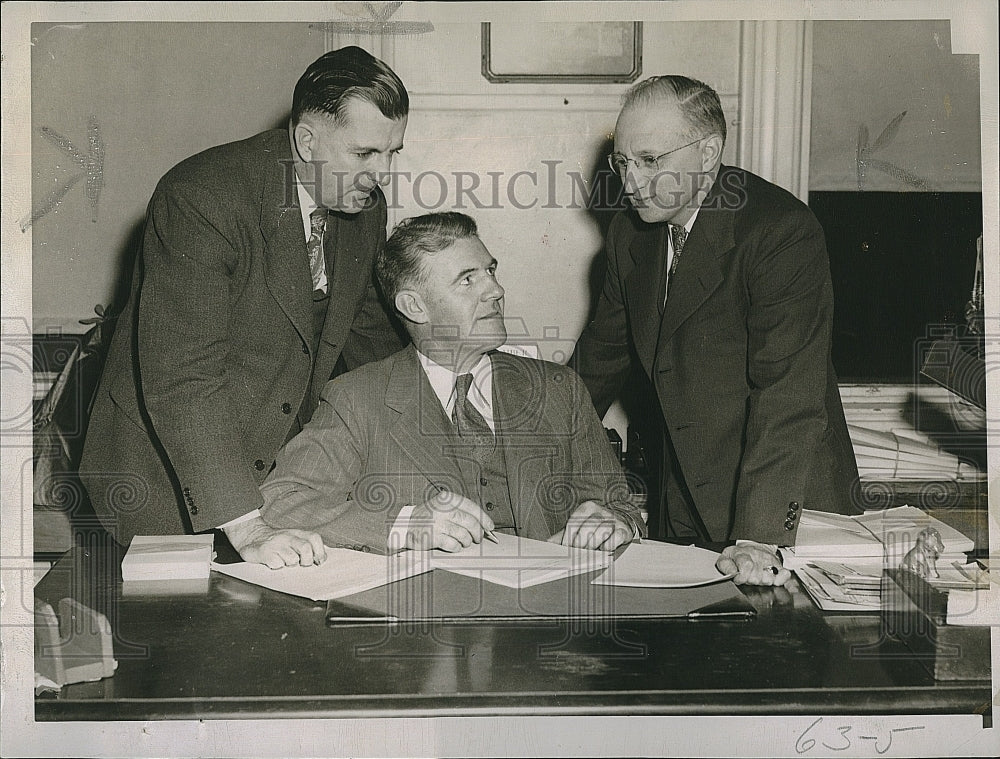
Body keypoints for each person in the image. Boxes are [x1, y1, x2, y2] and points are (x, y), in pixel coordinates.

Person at [79, 47, 409, 566]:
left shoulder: (363, 208)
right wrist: (247, 526)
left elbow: (369, 342)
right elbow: (183, 377)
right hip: (163, 481)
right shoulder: (203, 196)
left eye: (393, 153)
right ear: (306, 140)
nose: (381, 174)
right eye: (365, 154)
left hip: (276, 476)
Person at [571, 75, 859, 586]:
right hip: (682, 497)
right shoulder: (628, 234)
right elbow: (599, 360)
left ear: (708, 153)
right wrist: (523, 441)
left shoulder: (778, 231)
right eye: (622, 162)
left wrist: (759, 534)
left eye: (650, 160)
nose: (631, 181)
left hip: (781, 506)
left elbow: (787, 394)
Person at [258, 212, 645, 554]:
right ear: (414, 306)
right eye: (467, 280)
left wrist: (617, 521)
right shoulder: (358, 398)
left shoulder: (559, 388)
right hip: (425, 623)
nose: (495, 290)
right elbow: (281, 500)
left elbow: (621, 505)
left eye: (491, 271)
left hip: (546, 615)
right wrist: (405, 525)